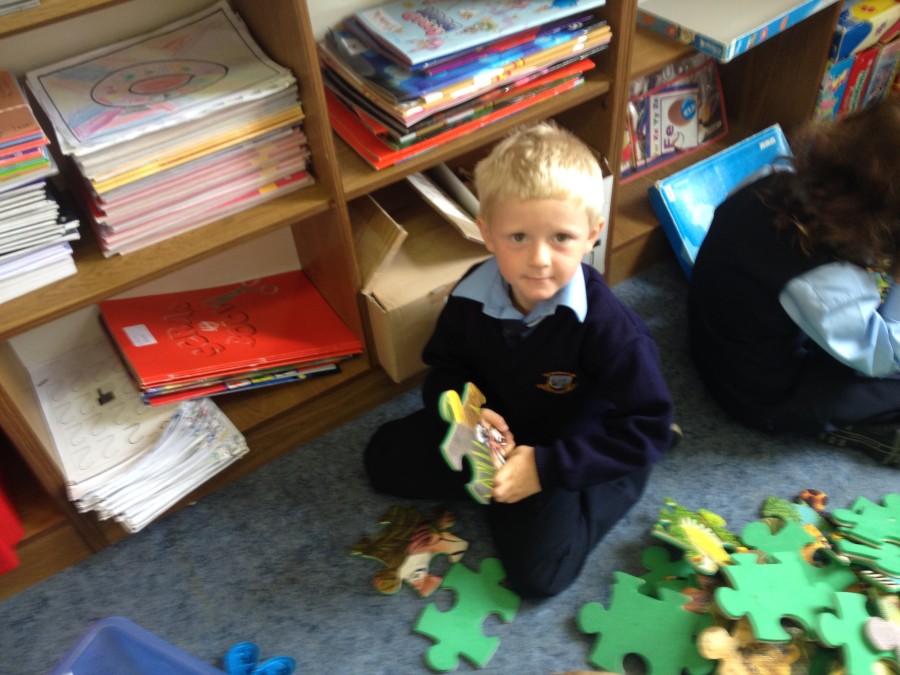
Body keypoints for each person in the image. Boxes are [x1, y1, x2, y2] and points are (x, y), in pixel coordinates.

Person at [363, 121, 676, 599]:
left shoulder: (612, 331)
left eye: (561, 239)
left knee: (539, 577)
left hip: (563, 447)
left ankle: (615, 482)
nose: (539, 260)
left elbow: (648, 424)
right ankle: (498, 484)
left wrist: (549, 469)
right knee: (380, 461)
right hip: (488, 432)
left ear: (593, 234)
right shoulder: (471, 294)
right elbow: (444, 366)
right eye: (518, 238)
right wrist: (463, 409)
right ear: (486, 232)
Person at [688, 96, 900, 467]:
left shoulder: (775, 178)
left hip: (718, 337)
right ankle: (848, 429)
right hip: (761, 396)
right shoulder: (823, 277)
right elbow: (884, 357)